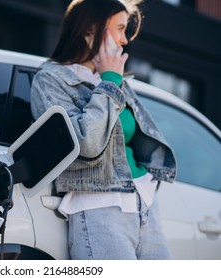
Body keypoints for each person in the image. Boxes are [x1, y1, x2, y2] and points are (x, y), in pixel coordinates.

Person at [30, 0, 177, 260]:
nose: (123, 40)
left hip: (144, 204)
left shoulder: (112, 78)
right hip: (100, 207)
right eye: (120, 29)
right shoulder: (52, 79)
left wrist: (110, 79)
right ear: (91, 28)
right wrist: (110, 82)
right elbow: (86, 143)